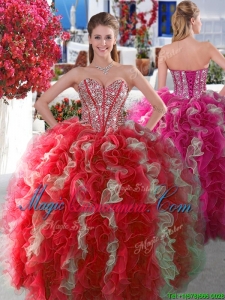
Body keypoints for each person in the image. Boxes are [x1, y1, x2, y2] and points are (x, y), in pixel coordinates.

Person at [0, 12, 205, 300]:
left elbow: (160, 107)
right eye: (97, 37)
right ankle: (83, 281)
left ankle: (118, 281)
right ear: (90, 38)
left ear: (115, 39)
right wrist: (62, 132)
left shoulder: (129, 72)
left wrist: (141, 135)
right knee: (76, 218)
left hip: (121, 149)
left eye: (107, 37)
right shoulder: (78, 74)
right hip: (83, 147)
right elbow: (42, 102)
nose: (103, 42)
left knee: (124, 218)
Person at [127, 1, 225, 243]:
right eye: (199, 18)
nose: (201, 23)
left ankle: (180, 216)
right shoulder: (207, 47)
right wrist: (219, 97)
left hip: (175, 109)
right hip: (204, 109)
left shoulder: (166, 52)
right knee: (206, 164)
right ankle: (203, 217)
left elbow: (160, 91)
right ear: (192, 21)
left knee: (176, 163)